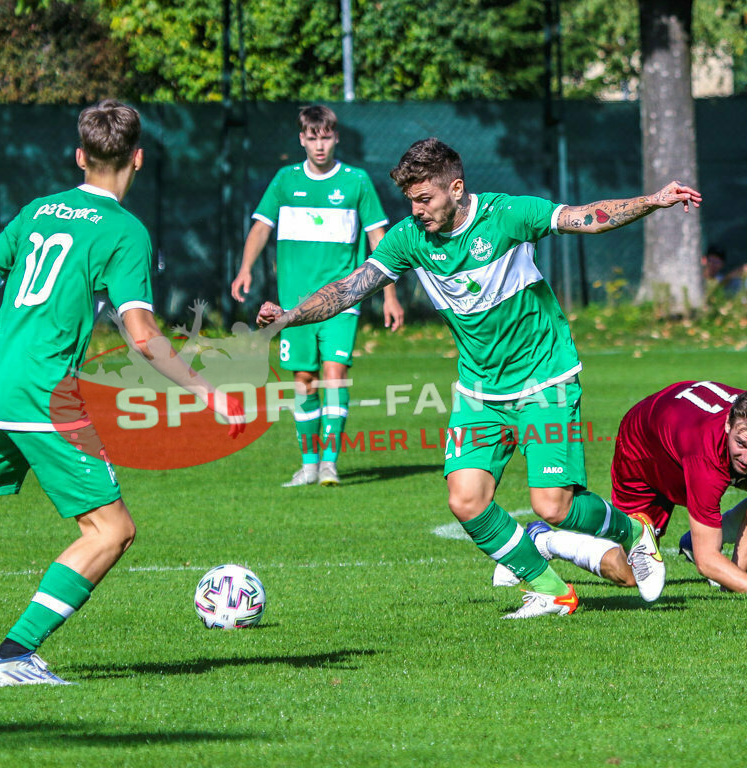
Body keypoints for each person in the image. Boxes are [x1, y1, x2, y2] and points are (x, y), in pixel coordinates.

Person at [257, 137, 702, 618]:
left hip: (544, 377)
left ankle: (634, 532)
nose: (417, 210)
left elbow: (586, 216)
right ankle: (552, 591)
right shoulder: (410, 239)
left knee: (553, 507)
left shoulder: (507, 215)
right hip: (480, 390)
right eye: (410, 200)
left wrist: (652, 201)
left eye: (425, 198)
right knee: (466, 499)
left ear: (456, 187)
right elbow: (352, 287)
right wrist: (290, 315)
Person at [0, 100, 241, 686]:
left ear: (80, 157)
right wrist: (208, 392)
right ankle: (12, 654)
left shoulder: (37, 210)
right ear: (139, 158)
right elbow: (143, 336)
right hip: (44, 392)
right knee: (111, 530)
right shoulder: (125, 230)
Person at [504, 381, 747, 596]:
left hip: (677, 432)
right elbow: (707, 563)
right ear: (728, 425)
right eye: (741, 444)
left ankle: (698, 538)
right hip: (644, 453)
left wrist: (735, 581)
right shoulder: (706, 454)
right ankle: (546, 539)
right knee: (631, 573)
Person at [231, 105, 404, 488]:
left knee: (334, 375)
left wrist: (390, 297)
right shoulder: (284, 180)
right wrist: (245, 268)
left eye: (326, 136)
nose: (320, 144)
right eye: (312, 137)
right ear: (302, 139)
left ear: (336, 137)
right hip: (294, 307)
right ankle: (308, 465)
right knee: (304, 379)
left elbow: (380, 241)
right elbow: (261, 228)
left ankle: (329, 464)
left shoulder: (357, 182)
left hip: (344, 301)